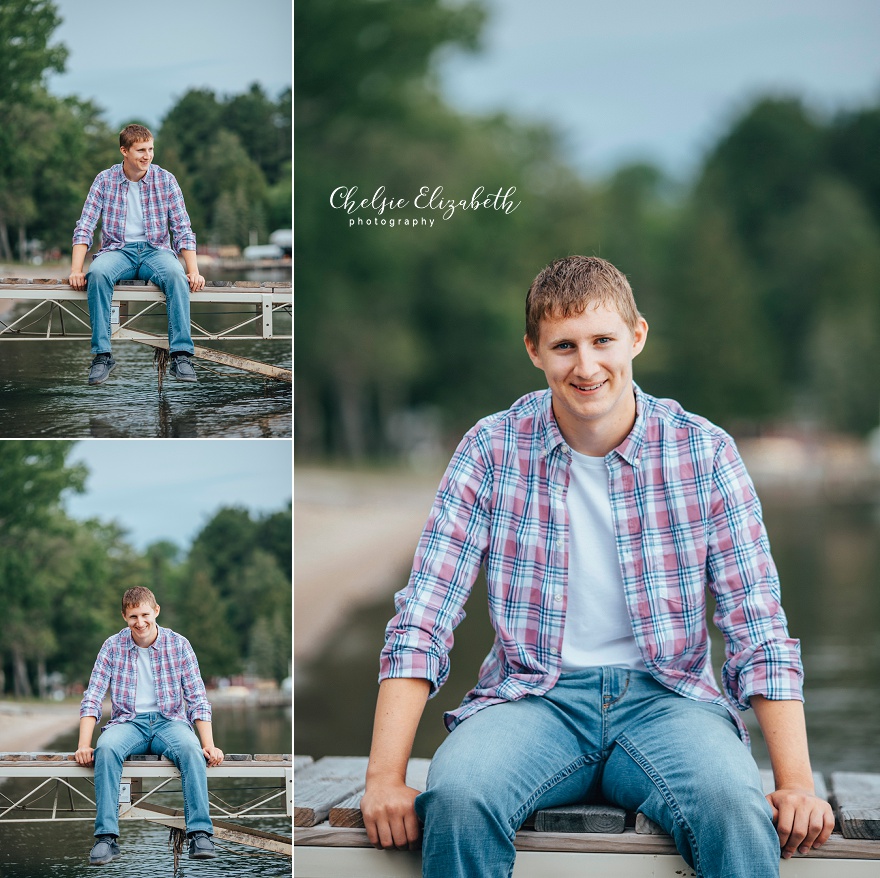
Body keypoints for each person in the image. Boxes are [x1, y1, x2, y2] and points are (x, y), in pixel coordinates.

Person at [361, 256, 834, 878]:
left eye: (602, 341)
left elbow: (757, 624)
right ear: (534, 350)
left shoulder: (705, 451)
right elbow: (425, 612)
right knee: (458, 797)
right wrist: (384, 777)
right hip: (533, 699)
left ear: (637, 336)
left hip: (669, 700)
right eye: (564, 346)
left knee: (733, 806)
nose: (585, 367)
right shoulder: (490, 449)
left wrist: (795, 780)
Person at [75, 586, 224, 866]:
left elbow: (197, 698)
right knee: (105, 750)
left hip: (170, 722)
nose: (140, 622)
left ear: (156, 611)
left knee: (192, 752)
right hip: (128, 723)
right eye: (133, 616)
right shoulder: (112, 646)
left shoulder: (179, 644)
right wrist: (84, 744)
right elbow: (93, 696)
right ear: (124, 616)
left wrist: (209, 744)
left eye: (145, 614)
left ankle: (200, 833)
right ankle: (106, 838)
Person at [68, 123, 205, 386]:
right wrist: (76, 269)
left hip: (156, 251)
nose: (147, 155)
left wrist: (194, 270)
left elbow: (182, 229)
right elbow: (85, 225)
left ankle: (181, 355)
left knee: (177, 276)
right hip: (118, 251)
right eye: (141, 150)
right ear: (124, 151)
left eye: (151, 149)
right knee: (96, 273)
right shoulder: (104, 180)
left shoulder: (166, 179)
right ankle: (102, 355)